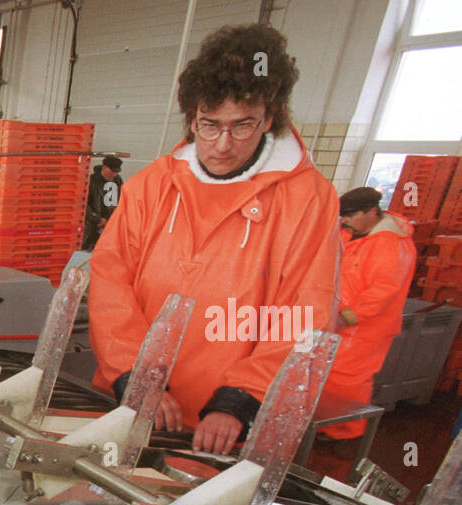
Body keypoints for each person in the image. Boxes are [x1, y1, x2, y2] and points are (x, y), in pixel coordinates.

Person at [88, 24, 341, 455]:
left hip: (225, 431)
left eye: (242, 126)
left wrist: (239, 401)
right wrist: (137, 375)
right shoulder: (152, 186)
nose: (223, 145)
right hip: (132, 403)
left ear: (269, 115)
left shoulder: (309, 200)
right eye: (209, 125)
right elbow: (111, 281)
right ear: (192, 118)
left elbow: (306, 313)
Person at [321, 186, 417, 439]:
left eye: (351, 215)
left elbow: (384, 291)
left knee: (348, 378)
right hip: (336, 319)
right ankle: (325, 425)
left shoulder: (390, 245)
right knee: (327, 373)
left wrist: (346, 317)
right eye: (342, 215)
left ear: (372, 212)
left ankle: (345, 433)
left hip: (365, 328)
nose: (345, 220)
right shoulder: (351, 233)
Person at [83, 155, 124, 251]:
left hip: (106, 225)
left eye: (116, 172)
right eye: (112, 171)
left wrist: (109, 219)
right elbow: (83, 204)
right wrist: (97, 219)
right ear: (104, 167)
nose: (114, 174)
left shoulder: (116, 181)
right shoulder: (90, 181)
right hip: (90, 225)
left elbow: (116, 203)